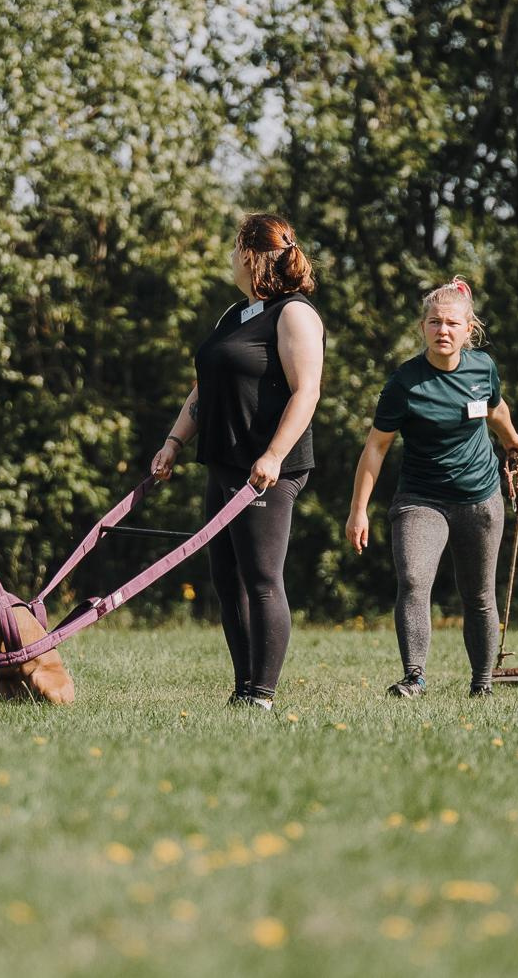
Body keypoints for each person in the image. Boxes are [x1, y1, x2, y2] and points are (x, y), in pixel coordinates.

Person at [150, 214, 324, 711]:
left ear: (251, 254)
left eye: (234, 248)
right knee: (228, 581)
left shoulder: (294, 314)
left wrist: (273, 455)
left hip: (267, 470)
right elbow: (204, 389)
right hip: (224, 463)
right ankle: (243, 689)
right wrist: (174, 442)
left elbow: (307, 392)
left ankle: (262, 695)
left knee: (262, 579)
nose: (229, 258)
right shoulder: (236, 314)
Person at [343, 278, 518, 698]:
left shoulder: (483, 368)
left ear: (468, 330)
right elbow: (376, 447)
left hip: (480, 498)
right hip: (421, 499)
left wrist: (511, 439)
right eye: (434, 322)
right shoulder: (404, 383)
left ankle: (482, 684)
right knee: (413, 580)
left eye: (451, 323)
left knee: (479, 594)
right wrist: (358, 510)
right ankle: (414, 677)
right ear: (422, 327)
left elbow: (495, 408)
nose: (442, 330)